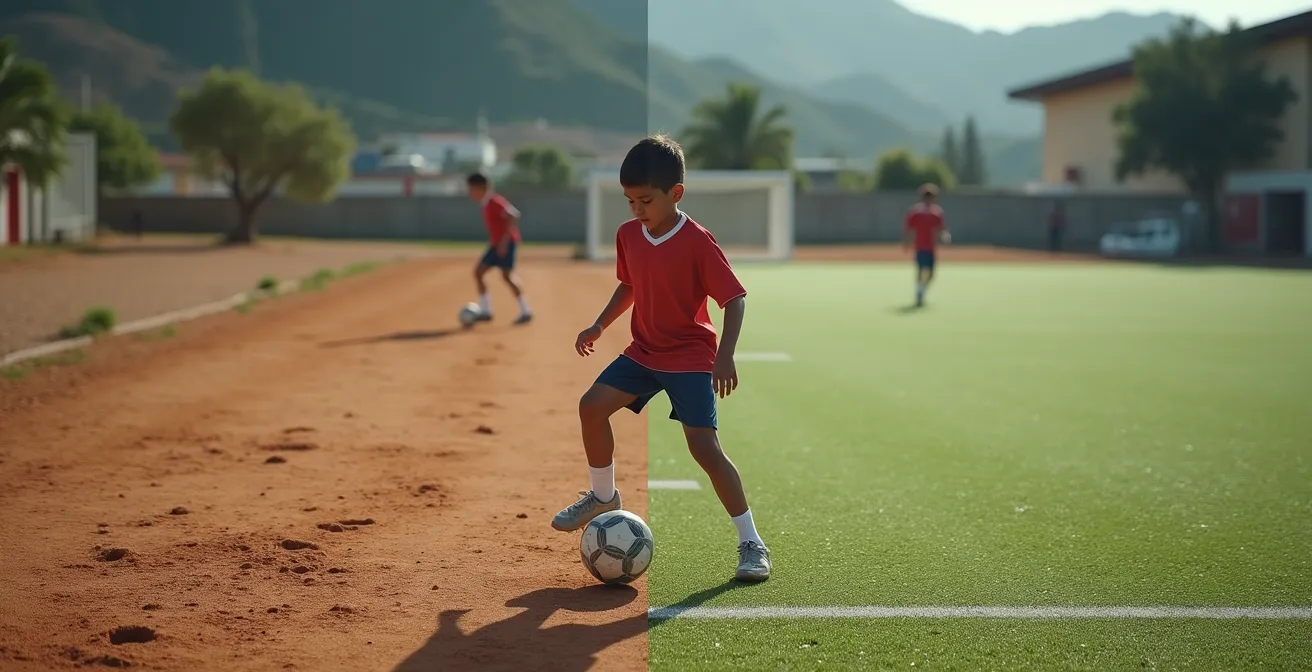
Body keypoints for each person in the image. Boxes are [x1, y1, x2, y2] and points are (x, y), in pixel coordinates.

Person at [553, 135, 771, 583]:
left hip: (690, 356)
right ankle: (603, 497)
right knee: (591, 406)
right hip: (644, 352)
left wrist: (725, 356)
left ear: (676, 193)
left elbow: (734, 298)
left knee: (704, 449)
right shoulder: (628, 234)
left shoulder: (697, 241)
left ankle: (751, 542)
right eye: (630, 201)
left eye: (646, 201)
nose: (637, 209)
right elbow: (630, 284)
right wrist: (599, 325)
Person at [466, 173, 532, 324]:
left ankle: (526, 311)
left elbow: (513, 215)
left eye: (471, 189)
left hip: (505, 243)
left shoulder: (494, 201)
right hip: (496, 244)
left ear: (481, 187)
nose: (470, 193)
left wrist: (504, 242)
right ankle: (486, 311)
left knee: (507, 276)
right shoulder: (486, 203)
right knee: (479, 273)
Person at [902, 183, 950, 307]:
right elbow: (909, 229)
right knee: (924, 271)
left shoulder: (935, 212)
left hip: (928, 247)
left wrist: (945, 236)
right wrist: (906, 242)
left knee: (927, 271)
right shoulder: (918, 212)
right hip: (922, 246)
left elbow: (941, 229)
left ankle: (920, 289)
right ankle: (920, 290)